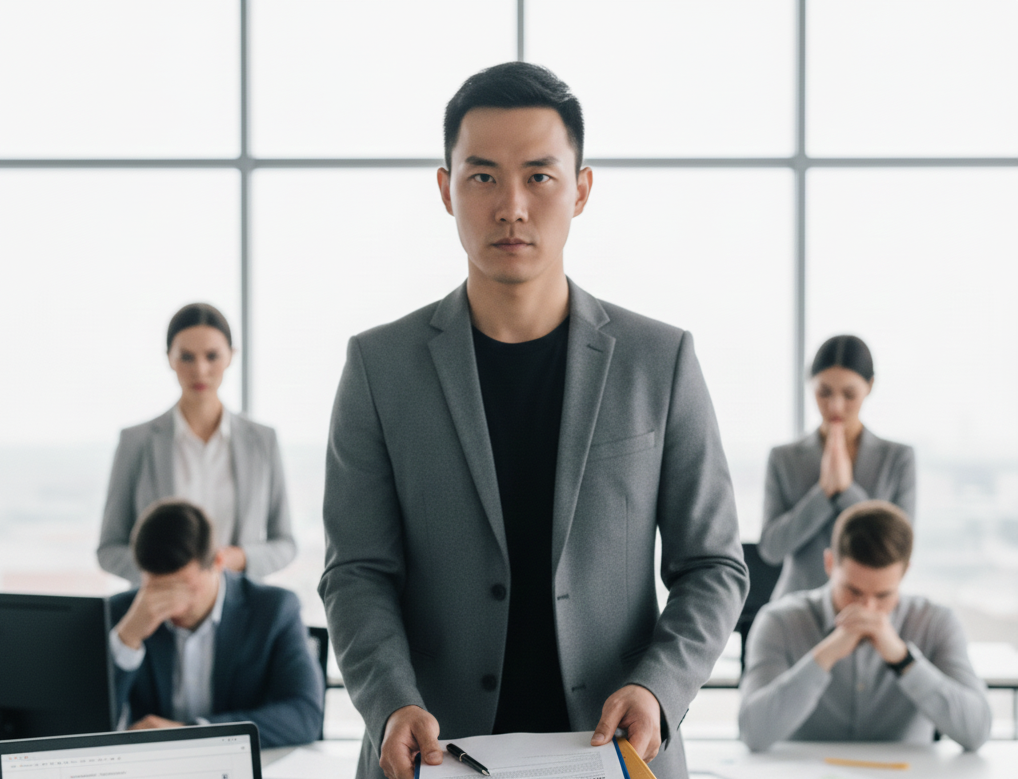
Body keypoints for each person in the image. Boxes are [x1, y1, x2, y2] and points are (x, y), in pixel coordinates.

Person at [319, 62, 748, 779]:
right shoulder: (378, 365)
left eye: (540, 177)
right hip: (430, 756)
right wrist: (390, 702)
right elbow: (357, 572)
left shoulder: (659, 359)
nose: (511, 206)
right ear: (445, 188)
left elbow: (713, 565)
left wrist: (659, 687)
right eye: (482, 176)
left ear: (580, 189)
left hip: (612, 754)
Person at [739, 500, 990, 752]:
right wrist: (825, 655)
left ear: (904, 573)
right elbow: (753, 733)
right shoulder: (780, 621)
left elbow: (976, 731)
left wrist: (904, 659)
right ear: (829, 564)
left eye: (883, 595)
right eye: (853, 591)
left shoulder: (936, 622)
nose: (867, 608)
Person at [98, 302, 295, 585]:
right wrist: (165, 573)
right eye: (186, 357)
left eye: (212, 356)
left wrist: (240, 558)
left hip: (241, 609)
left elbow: (285, 543)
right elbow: (109, 549)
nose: (200, 369)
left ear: (231, 356)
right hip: (162, 612)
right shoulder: (136, 442)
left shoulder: (262, 441)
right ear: (169, 358)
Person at [109, 499, 324, 748]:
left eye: (184, 587)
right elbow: (84, 723)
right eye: (157, 589)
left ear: (218, 562)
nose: (172, 605)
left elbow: (304, 716)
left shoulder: (274, 610)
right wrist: (127, 639)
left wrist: (193, 734)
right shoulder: (122, 614)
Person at [759, 335, 915, 600]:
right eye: (824, 392)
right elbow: (771, 549)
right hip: (795, 607)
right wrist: (822, 495)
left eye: (849, 394)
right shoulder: (783, 458)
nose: (835, 406)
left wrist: (845, 490)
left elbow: (899, 549)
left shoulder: (897, 458)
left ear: (870, 386)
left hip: (870, 603)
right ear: (810, 385)